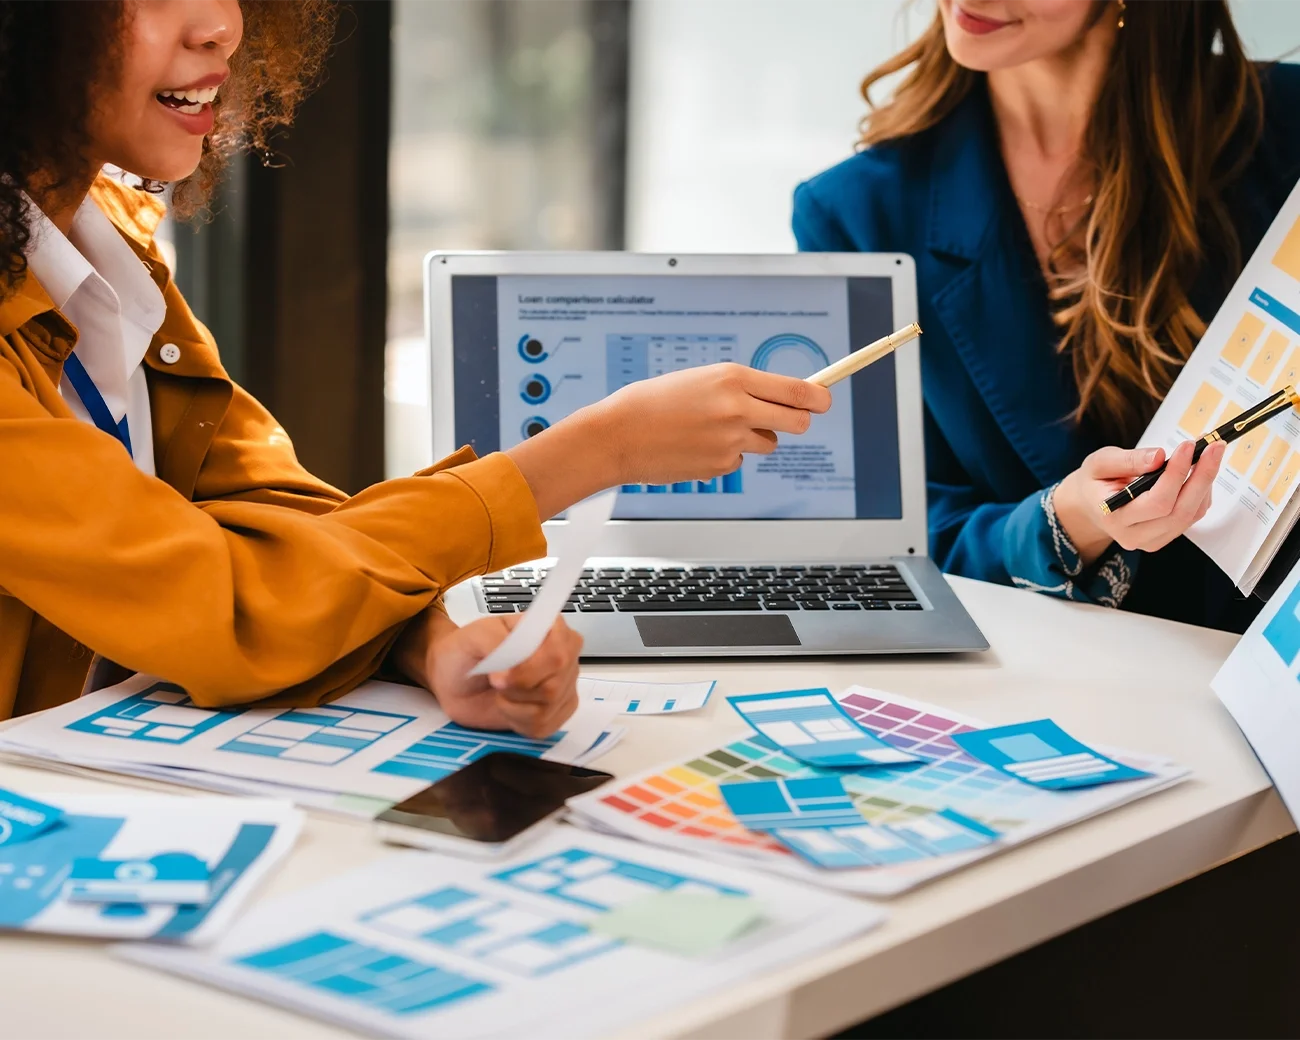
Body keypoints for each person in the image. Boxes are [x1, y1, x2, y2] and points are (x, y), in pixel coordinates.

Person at [0, 0, 831, 730]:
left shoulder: (102, 244)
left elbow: (284, 520)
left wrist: (433, 645)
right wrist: (595, 452)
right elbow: (230, 603)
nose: (222, 25)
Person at [794, 0, 1300, 631]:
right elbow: (889, 534)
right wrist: (1066, 521)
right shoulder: (858, 212)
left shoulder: (1283, 126)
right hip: (1039, 668)